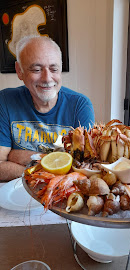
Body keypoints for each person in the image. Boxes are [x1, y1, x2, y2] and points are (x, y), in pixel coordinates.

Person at [0, 35, 95, 181]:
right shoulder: (5, 101)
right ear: (19, 71)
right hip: (14, 195)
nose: (47, 78)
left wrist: (19, 156)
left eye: (54, 68)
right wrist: (50, 165)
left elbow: (83, 171)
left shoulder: (80, 106)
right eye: (37, 69)